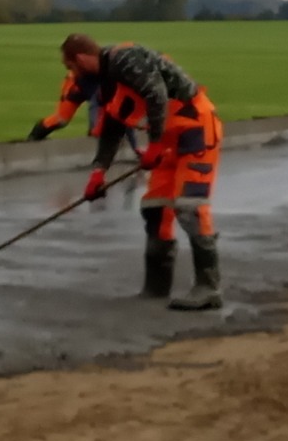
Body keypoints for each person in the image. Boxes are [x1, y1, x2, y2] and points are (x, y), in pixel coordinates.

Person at [40, 33, 223, 309]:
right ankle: (157, 286)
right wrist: (98, 173)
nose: (72, 74)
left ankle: (209, 288)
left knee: (190, 207)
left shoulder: (125, 59)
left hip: (195, 132)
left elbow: (156, 93)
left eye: (71, 67)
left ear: (80, 59)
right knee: (154, 208)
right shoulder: (105, 85)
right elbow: (112, 129)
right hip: (167, 142)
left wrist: (155, 145)